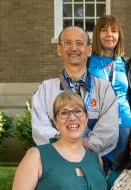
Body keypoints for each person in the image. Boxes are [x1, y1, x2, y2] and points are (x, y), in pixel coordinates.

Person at [31, 25, 119, 158]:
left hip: (94, 161)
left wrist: (87, 148)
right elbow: (40, 129)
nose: (73, 48)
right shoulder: (45, 90)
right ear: (59, 49)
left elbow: (109, 129)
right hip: (58, 162)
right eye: (68, 43)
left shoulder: (104, 89)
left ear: (89, 50)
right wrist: (68, 147)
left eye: (79, 43)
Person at [88, 15, 131, 170]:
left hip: (125, 125)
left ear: (119, 36)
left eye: (114, 31)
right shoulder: (88, 62)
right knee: (98, 172)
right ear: (97, 34)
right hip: (97, 125)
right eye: (104, 30)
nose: (109, 35)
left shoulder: (126, 64)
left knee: (123, 173)